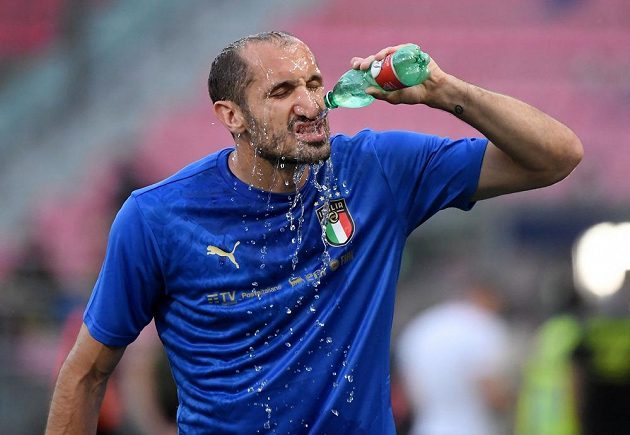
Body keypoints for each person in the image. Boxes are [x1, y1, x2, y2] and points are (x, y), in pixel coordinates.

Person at [45, 31, 583, 434]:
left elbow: (555, 157)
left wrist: (443, 91)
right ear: (231, 116)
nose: (310, 105)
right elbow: (87, 373)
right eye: (281, 91)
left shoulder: (377, 171)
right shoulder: (157, 217)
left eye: (314, 83)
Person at [396, 281, 514, 435]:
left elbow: (408, 395)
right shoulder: (483, 327)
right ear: (486, 295)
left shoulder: (419, 327)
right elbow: (493, 393)